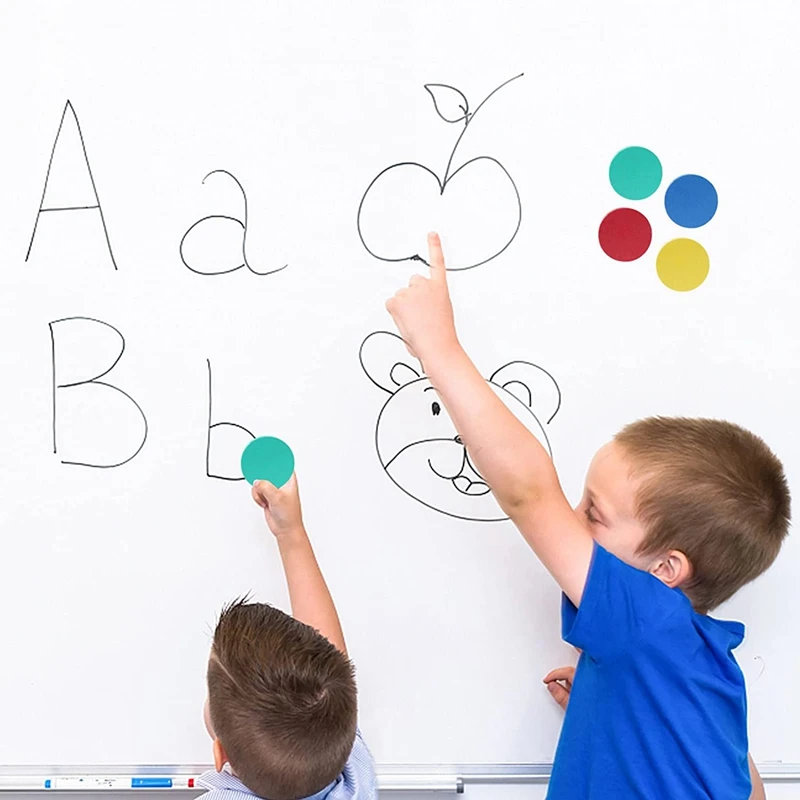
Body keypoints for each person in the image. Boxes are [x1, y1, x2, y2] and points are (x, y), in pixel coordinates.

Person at [385, 232, 789, 799]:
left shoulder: (648, 624)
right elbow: (750, 793)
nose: (572, 520)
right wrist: (622, 702)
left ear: (666, 570)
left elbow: (527, 492)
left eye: (593, 513)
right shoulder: (704, 666)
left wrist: (439, 349)